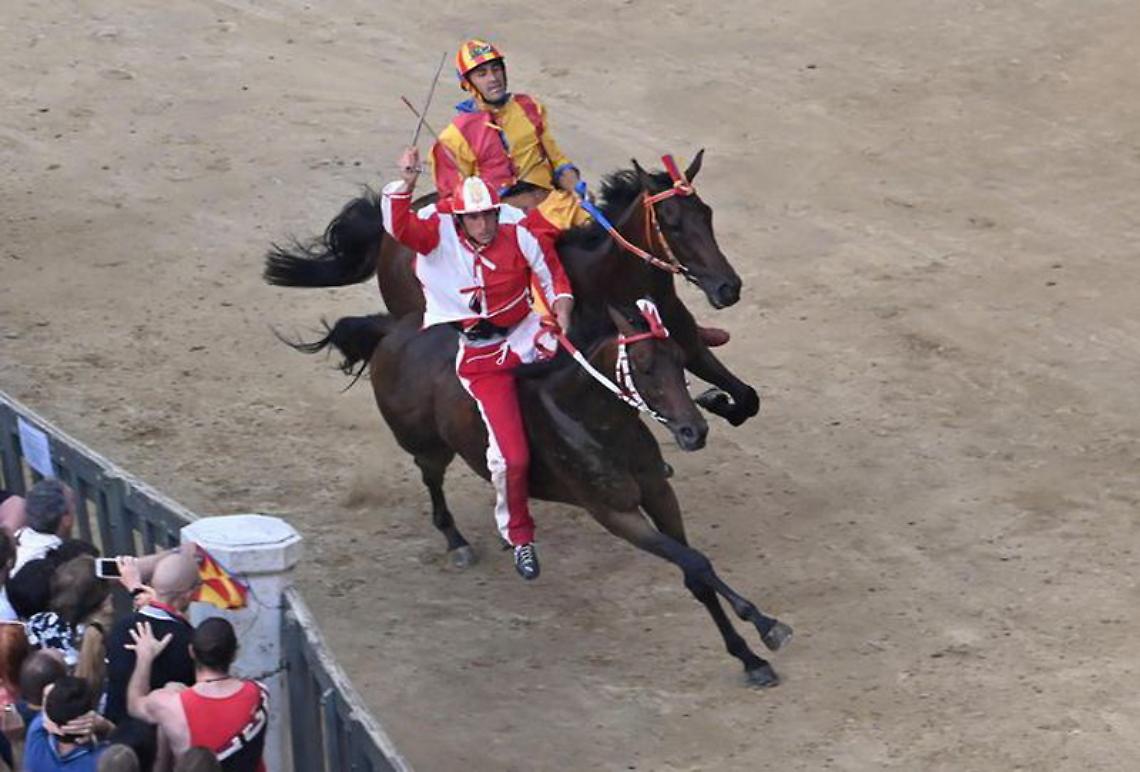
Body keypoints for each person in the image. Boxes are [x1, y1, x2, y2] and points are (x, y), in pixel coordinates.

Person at [383, 145, 574, 580]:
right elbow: (398, 225)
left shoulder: (518, 229)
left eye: (489, 214)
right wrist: (408, 183)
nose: (485, 224)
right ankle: (520, 535)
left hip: (531, 335)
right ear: (459, 218)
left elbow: (552, 277)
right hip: (484, 358)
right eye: (475, 217)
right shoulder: (436, 235)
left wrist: (562, 306)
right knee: (512, 459)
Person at [432, 39, 586, 232]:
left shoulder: (530, 106)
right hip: (502, 218)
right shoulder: (453, 137)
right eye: (482, 74)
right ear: (467, 84)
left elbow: (558, 160)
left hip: (552, 203)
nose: (493, 78)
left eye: (496, 69)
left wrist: (575, 184)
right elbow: (453, 198)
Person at [127, 618, 268, 772]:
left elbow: (134, 704)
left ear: (191, 652)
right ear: (235, 654)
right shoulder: (260, 693)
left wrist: (145, 657)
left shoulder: (170, 705)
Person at [104, 553, 199, 724]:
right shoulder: (188, 640)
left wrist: (136, 590)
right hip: (162, 737)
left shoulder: (120, 627)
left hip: (117, 734)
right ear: (189, 594)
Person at [24, 676, 114, 770]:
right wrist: (105, 725)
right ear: (89, 716)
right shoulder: (102, 761)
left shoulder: (35, 735)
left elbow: (8, 703)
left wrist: (8, 709)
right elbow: (124, 748)